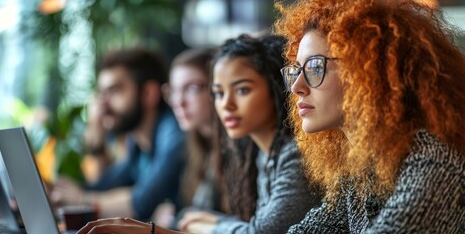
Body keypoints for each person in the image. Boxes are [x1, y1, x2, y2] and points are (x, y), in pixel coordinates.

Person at [77, 34, 320, 234]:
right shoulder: (259, 154)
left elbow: (258, 232)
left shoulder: (292, 155)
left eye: (242, 90)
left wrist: (207, 224)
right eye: (219, 93)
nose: (227, 104)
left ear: (275, 88)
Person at [273, 0, 465, 232]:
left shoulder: (433, 160)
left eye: (314, 67)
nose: (296, 87)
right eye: (296, 70)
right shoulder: (362, 165)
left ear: (367, 73)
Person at [51, 47, 186, 221]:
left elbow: (142, 203)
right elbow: (105, 187)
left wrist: (80, 200)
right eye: (102, 93)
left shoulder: (174, 133)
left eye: (114, 91)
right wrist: (56, 192)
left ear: (148, 93)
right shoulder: (138, 143)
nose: (102, 104)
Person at [162, 48, 222, 219]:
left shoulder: (238, 148)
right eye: (173, 91)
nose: (179, 102)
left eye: (192, 88)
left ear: (217, 88)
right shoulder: (196, 144)